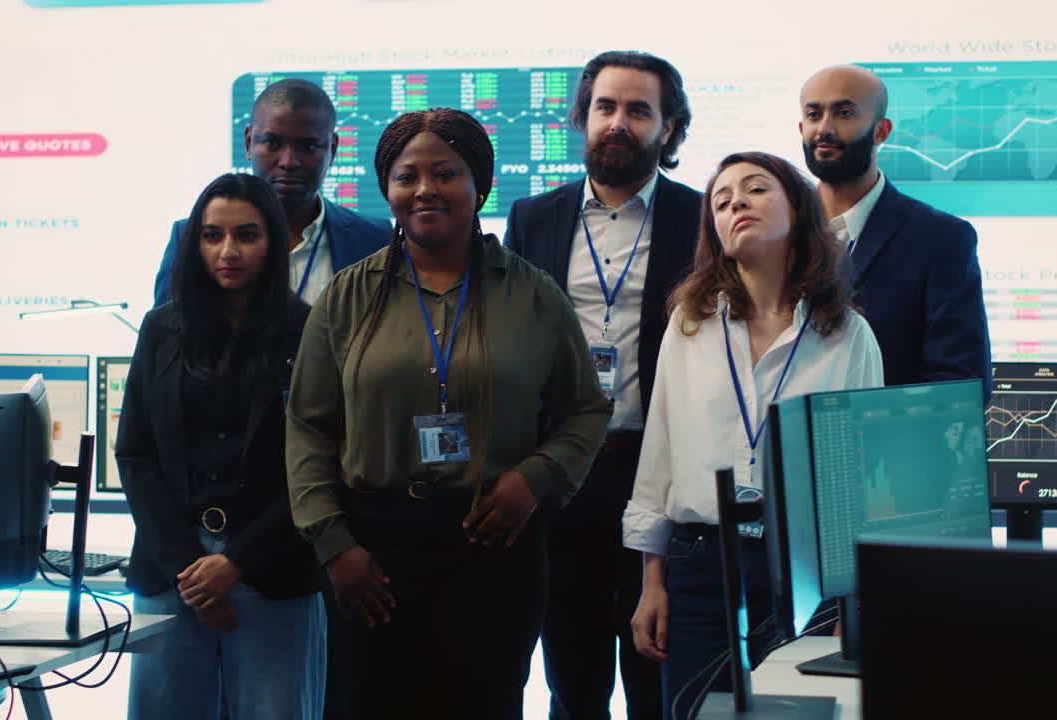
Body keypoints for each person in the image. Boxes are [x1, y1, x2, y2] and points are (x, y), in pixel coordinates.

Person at [286, 107, 611, 719]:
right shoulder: (347, 296)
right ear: (387, 188)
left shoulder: (533, 293)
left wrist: (533, 480)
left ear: (479, 184)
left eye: (446, 173)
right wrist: (334, 545)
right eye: (407, 176)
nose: (425, 189)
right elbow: (307, 427)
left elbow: (586, 410)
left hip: (494, 541)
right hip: (373, 552)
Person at [623, 152, 883, 720]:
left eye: (756, 189)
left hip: (808, 575)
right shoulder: (689, 325)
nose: (736, 202)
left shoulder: (848, 334)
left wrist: (854, 598)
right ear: (715, 232)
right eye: (721, 201)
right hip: (700, 566)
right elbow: (659, 454)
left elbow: (861, 478)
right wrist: (652, 581)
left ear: (799, 209)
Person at [505, 50, 701, 720]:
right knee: (571, 677)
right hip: (562, 475)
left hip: (659, 471)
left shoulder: (701, 218)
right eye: (605, 107)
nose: (618, 122)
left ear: (668, 128)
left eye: (638, 110)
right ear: (583, 118)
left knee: (657, 673)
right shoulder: (533, 217)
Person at [117, 173, 326, 719]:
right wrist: (191, 570)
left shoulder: (309, 331)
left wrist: (234, 562)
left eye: (246, 235)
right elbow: (135, 454)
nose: (228, 252)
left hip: (271, 566)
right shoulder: (161, 329)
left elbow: (318, 465)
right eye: (212, 236)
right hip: (173, 569)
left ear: (273, 242)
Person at [798, 64, 991, 392]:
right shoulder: (777, 230)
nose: (824, 129)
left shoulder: (941, 239)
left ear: (881, 131)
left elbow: (961, 383)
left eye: (844, 113)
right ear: (801, 127)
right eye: (814, 115)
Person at [153, 78, 388, 308]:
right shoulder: (190, 237)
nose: (288, 162)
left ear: (333, 149)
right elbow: (166, 330)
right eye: (272, 144)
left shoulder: (375, 240)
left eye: (308, 146)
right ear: (248, 142)